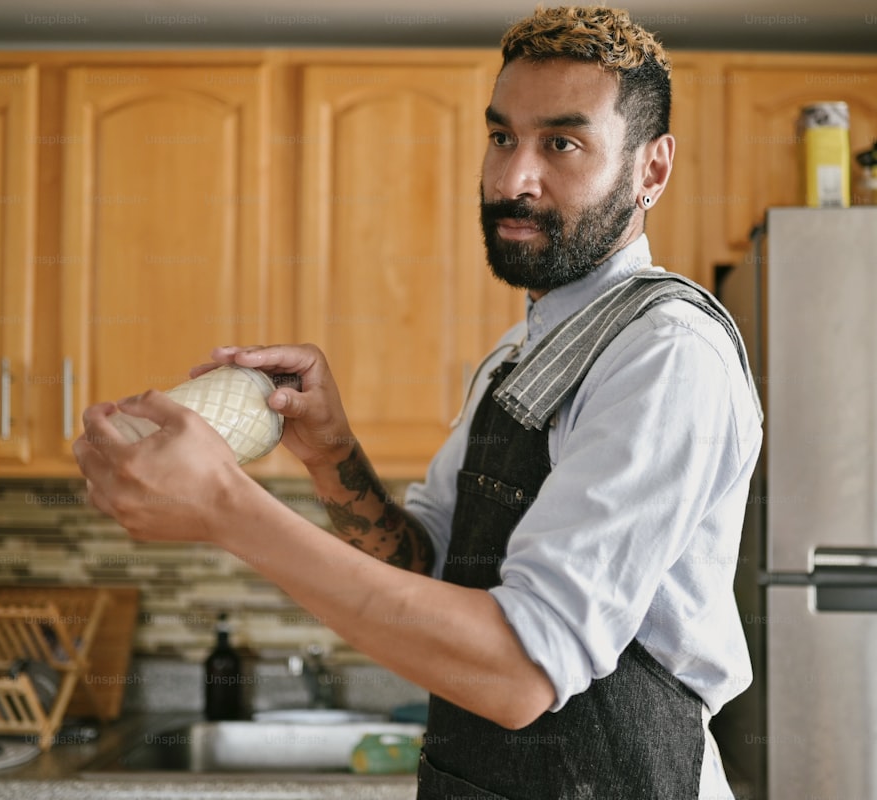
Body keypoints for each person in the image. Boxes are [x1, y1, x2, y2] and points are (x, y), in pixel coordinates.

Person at [74, 6, 763, 799]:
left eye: (562, 144)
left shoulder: (667, 356)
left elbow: (518, 675)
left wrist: (228, 509)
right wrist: (332, 456)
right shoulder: (518, 359)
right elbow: (426, 569)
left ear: (652, 169)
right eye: (502, 137)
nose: (511, 180)